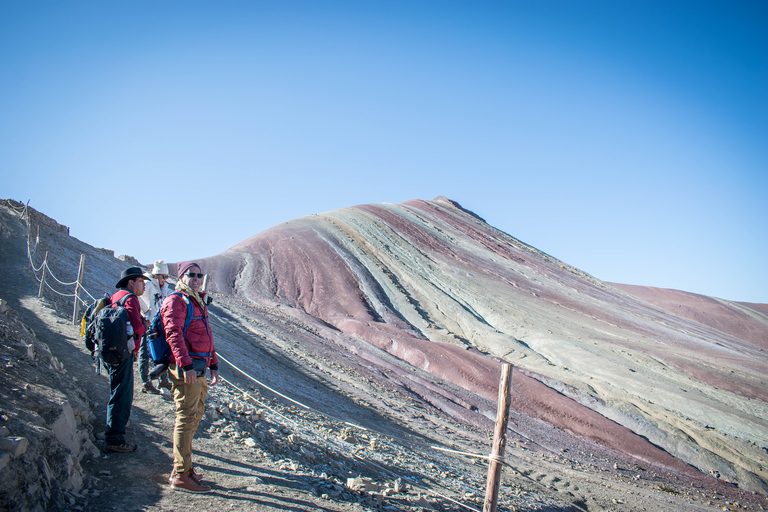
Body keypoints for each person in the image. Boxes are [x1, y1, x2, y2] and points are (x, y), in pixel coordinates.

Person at [163, 261, 219, 493]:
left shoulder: (196, 301)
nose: (196, 278)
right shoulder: (177, 300)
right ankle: (180, 473)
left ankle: (186, 466)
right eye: (191, 274)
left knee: (195, 415)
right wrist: (185, 366)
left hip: (200, 367)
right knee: (186, 416)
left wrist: (214, 364)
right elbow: (173, 334)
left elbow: (206, 336)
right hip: (188, 369)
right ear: (181, 277)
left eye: (199, 274)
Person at [104, 266, 150, 453]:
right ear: (131, 282)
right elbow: (137, 327)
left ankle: (114, 427)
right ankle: (115, 438)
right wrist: (145, 324)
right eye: (141, 281)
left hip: (111, 351)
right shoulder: (131, 299)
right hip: (123, 353)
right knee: (123, 395)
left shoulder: (116, 297)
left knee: (116, 391)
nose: (144, 286)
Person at [138, 260, 173, 394]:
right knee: (145, 352)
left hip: (159, 324)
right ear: (156, 275)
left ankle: (163, 380)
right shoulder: (148, 284)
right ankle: (146, 382)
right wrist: (145, 311)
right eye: (163, 276)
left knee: (161, 352)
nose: (165, 280)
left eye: (166, 277)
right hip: (148, 324)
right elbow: (138, 296)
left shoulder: (163, 287)